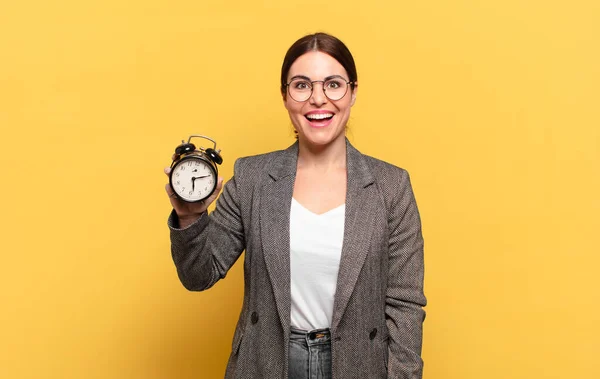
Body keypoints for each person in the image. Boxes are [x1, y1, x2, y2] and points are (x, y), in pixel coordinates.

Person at [165, 32, 426, 379]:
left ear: (353, 92)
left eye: (333, 84)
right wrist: (190, 214)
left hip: (357, 365)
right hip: (268, 362)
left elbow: (405, 305)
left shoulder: (391, 186)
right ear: (285, 96)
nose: (318, 99)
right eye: (302, 85)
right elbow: (199, 275)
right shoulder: (252, 177)